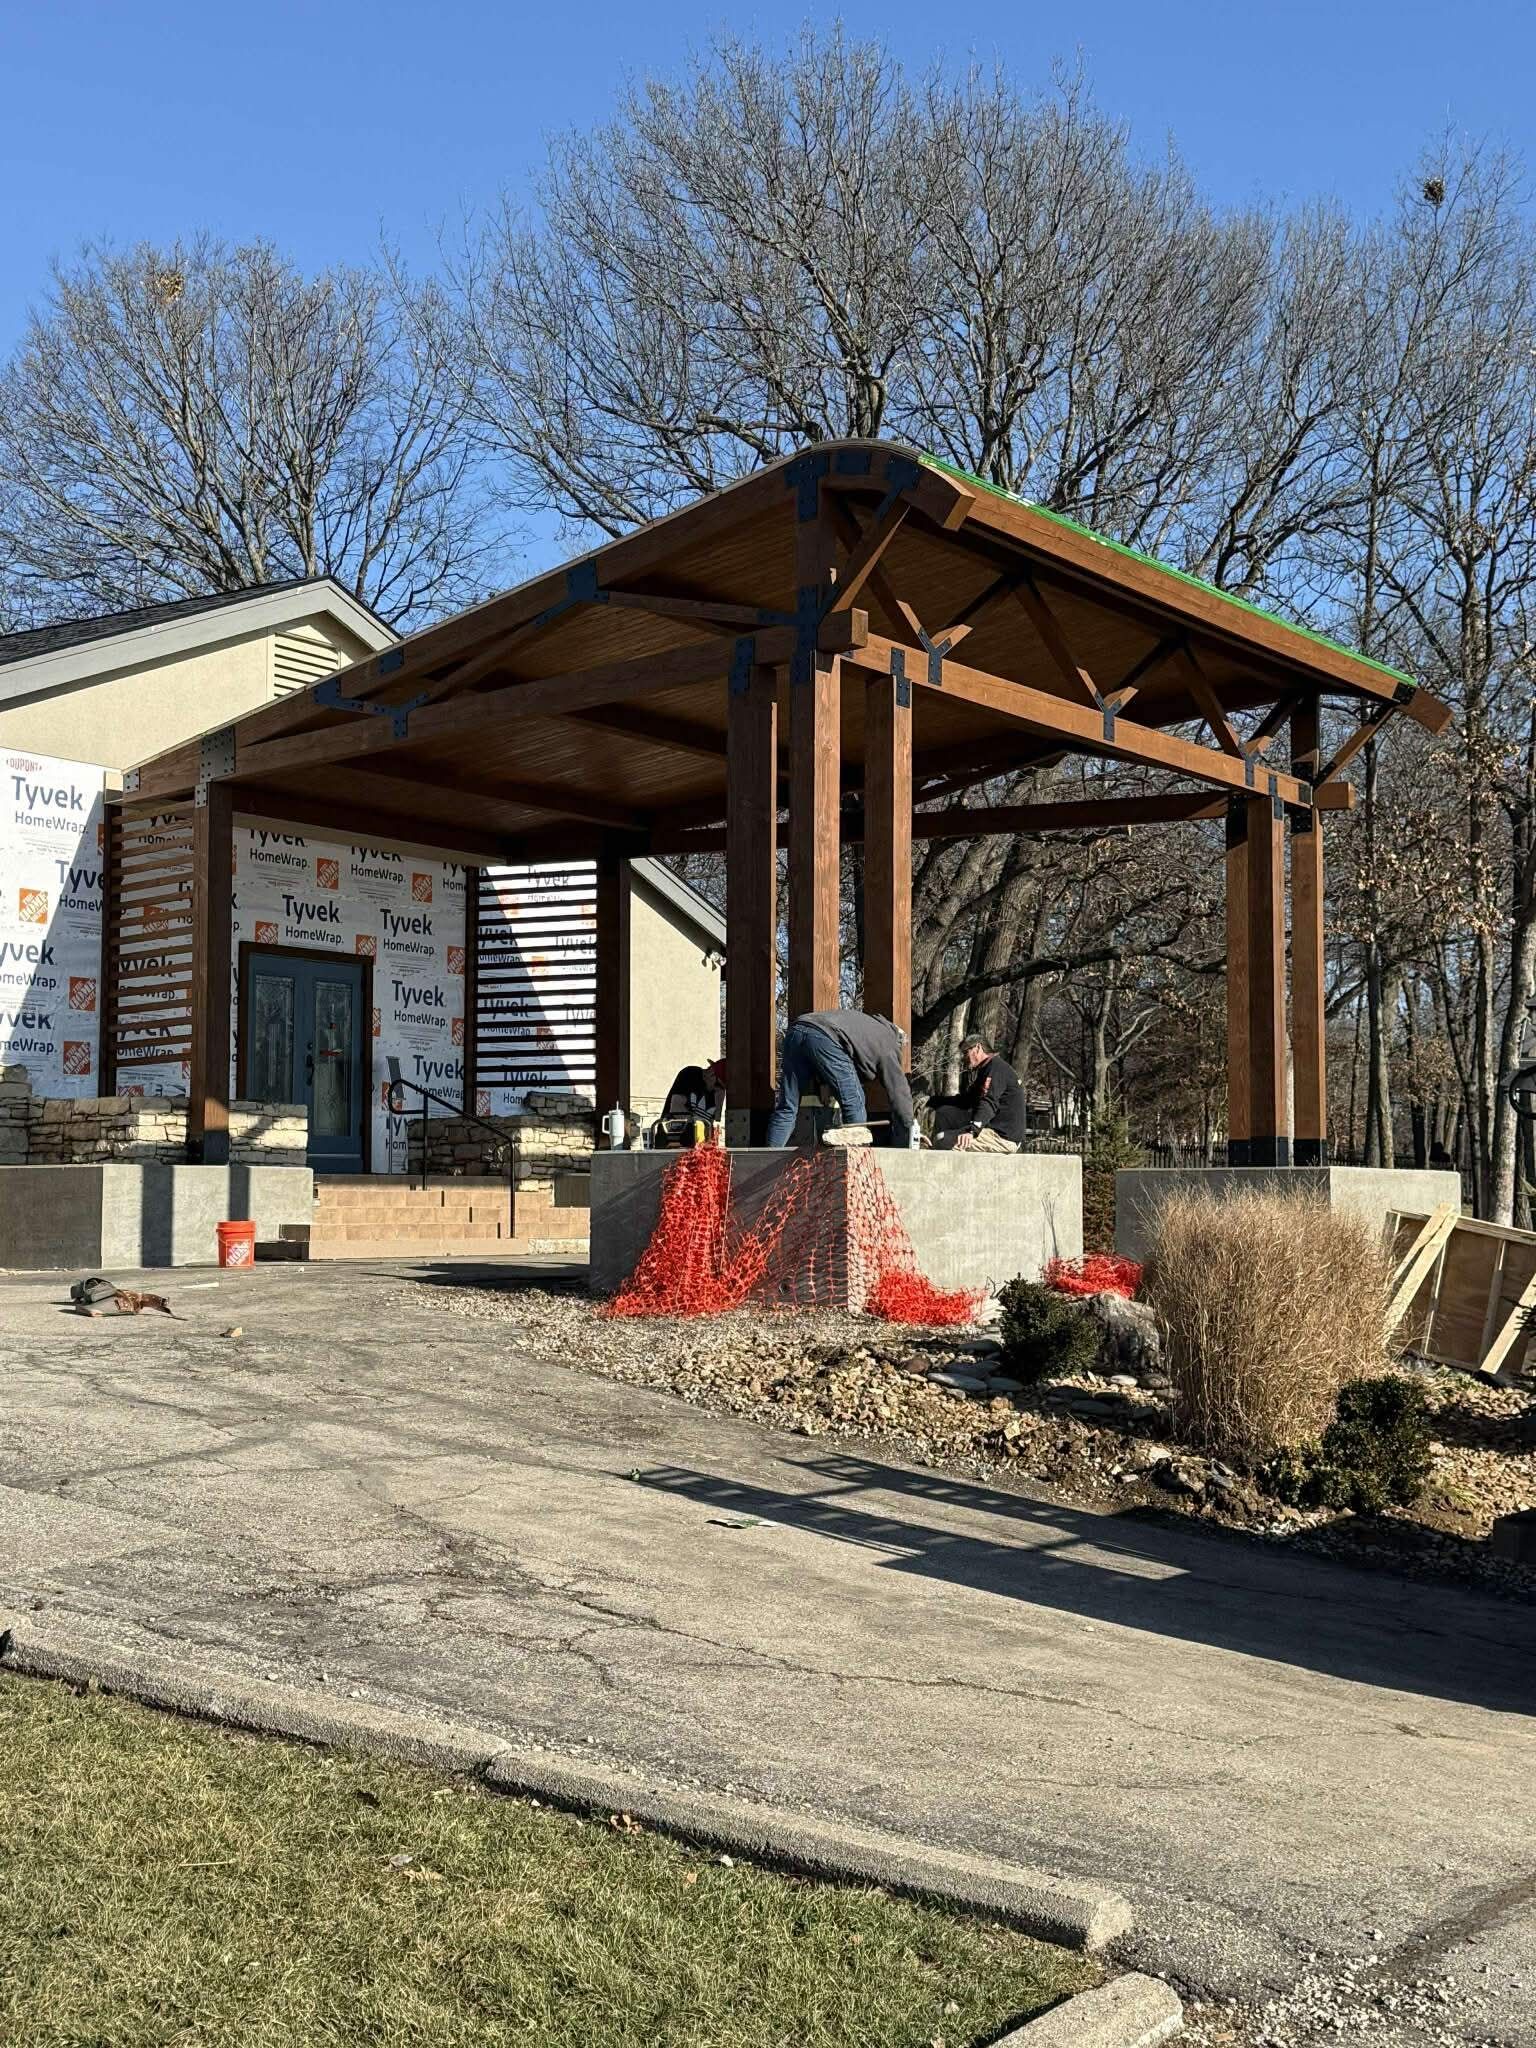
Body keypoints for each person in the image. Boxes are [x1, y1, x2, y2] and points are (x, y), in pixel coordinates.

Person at [764, 1010, 914, 1148]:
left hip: (796, 1030)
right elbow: (899, 1091)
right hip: (824, 1036)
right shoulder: (888, 1043)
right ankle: (858, 1167)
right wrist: (910, 1127)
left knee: (787, 1106)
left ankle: (763, 1163)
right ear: (898, 1042)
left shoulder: (867, 1028)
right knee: (855, 1102)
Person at [931, 1032, 1025, 1152]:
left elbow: (988, 1102)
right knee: (944, 1113)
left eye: (965, 1052)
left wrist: (972, 1130)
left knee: (942, 1141)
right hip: (990, 1129)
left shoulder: (996, 1069)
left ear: (978, 1047)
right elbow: (965, 1101)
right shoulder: (986, 1070)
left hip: (1003, 1137)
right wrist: (931, 1101)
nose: (963, 1058)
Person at [650, 1055, 727, 1147]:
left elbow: (715, 1121)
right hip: (673, 1139)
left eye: (722, 1088)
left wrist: (719, 1096)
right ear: (712, 1074)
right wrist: (697, 1125)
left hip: (699, 1145)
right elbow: (676, 1107)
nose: (718, 1089)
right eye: (718, 1085)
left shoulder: (717, 1092)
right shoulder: (690, 1074)